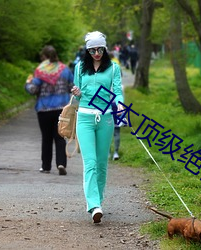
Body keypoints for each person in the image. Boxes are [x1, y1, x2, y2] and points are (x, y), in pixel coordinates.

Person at [71, 31, 124, 223]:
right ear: (87, 50)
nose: (96, 53)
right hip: (84, 118)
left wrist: (119, 104)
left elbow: (117, 92)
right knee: (90, 163)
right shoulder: (79, 68)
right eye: (92, 50)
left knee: (102, 164)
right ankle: (93, 205)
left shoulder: (113, 68)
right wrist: (76, 92)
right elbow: (77, 97)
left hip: (106, 119)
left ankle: (98, 201)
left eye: (100, 49)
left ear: (105, 48)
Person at [25, 45, 74, 175]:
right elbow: (72, 87)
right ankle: (61, 163)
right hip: (61, 109)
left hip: (44, 109)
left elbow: (33, 90)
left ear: (44, 57)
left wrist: (28, 83)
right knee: (60, 137)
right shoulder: (65, 70)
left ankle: (46, 166)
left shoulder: (40, 71)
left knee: (46, 138)